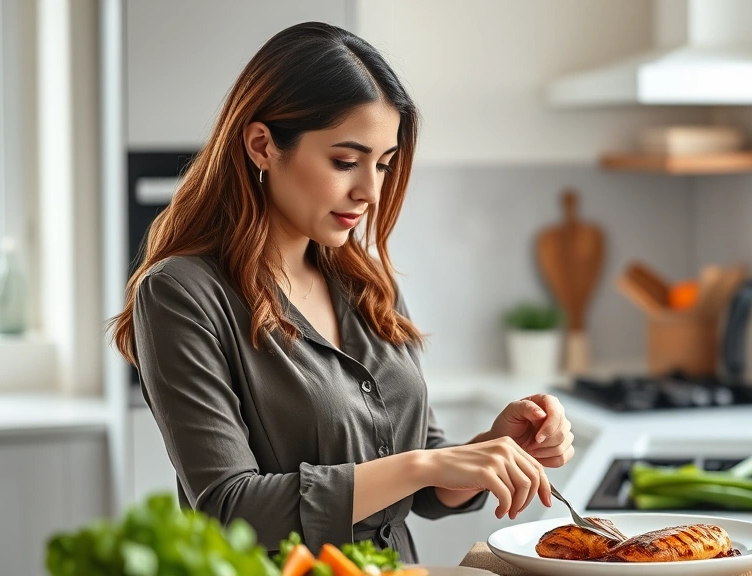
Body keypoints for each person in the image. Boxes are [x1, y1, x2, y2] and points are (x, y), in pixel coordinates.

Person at [109, 21, 575, 563]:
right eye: (345, 161)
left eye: (383, 164)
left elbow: (419, 470)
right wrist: (426, 466)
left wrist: (490, 451)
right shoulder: (181, 295)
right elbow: (227, 511)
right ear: (262, 145)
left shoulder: (367, 286)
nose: (371, 191)